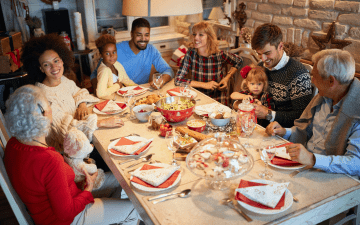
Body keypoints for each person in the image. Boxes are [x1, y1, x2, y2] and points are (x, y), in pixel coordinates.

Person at [3, 85, 141, 225]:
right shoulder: (49, 159)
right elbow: (66, 214)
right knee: (135, 210)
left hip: (57, 204)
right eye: (49, 104)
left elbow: (45, 181)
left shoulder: (13, 144)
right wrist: (88, 189)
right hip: (65, 219)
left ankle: (112, 216)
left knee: (122, 178)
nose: (51, 108)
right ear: (44, 114)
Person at [21, 34, 124, 153]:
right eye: (46, 64)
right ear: (40, 69)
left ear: (62, 60)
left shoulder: (63, 81)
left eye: (56, 61)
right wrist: (101, 123)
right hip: (68, 152)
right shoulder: (43, 96)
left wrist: (82, 104)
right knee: (114, 146)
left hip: (81, 138)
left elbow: (80, 92)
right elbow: (66, 130)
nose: (54, 67)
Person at [265, 49, 360, 177]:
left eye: (314, 76)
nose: (312, 81)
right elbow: (306, 131)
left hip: (330, 177)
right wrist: (285, 132)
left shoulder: (356, 112)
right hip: (304, 167)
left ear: (331, 81)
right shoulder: (324, 97)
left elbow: (355, 163)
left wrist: (312, 159)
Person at [251, 23, 313, 128]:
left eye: (267, 53)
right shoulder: (261, 66)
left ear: (280, 46)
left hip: (283, 134)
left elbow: (302, 117)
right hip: (258, 127)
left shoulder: (298, 73)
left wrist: (269, 115)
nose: (263, 59)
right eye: (259, 54)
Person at [90, 18, 174, 88]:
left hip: (140, 93)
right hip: (118, 93)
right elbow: (94, 74)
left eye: (146, 35)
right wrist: (97, 89)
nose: (143, 39)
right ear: (131, 34)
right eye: (139, 35)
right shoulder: (115, 49)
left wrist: (162, 79)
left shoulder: (151, 50)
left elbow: (168, 70)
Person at [175, 21, 243, 106]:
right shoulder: (191, 54)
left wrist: (227, 78)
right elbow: (178, 80)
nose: (196, 38)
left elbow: (239, 61)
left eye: (201, 35)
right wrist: (205, 85)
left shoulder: (219, 55)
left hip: (217, 100)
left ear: (209, 37)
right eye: (194, 34)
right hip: (198, 98)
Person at [95, 34, 137, 99]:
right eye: (107, 53)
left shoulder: (117, 64)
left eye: (114, 52)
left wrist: (139, 88)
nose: (112, 56)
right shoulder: (104, 70)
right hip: (112, 103)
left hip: (121, 98)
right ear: (101, 55)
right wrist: (117, 85)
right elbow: (100, 94)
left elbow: (127, 81)